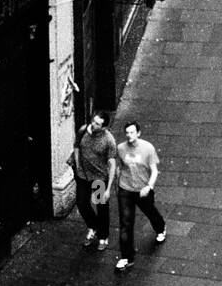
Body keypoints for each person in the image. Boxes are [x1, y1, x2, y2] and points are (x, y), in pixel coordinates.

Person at [115, 121, 166, 272]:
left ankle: (161, 227)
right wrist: (117, 186)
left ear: (138, 133)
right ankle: (126, 257)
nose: (129, 135)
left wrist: (149, 187)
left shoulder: (148, 148)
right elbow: (120, 167)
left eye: (132, 132)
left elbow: (154, 170)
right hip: (125, 188)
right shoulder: (121, 148)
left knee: (150, 211)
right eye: (127, 133)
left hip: (143, 189)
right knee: (125, 223)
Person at [70, 109, 117, 251]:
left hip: (98, 178)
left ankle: (103, 236)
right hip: (83, 175)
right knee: (82, 203)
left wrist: (108, 188)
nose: (93, 125)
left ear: (104, 127)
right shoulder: (83, 130)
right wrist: (77, 164)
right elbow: (77, 146)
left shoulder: (109, 140)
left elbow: (112, 165)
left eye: (97, 124)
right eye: (93, 121)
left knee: (101, 206)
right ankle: (93, 226)